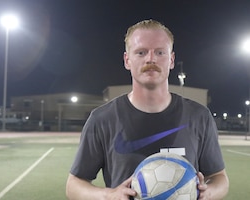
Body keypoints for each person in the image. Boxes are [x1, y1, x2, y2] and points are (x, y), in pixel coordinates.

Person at [66, 19, 229, 200]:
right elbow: (74, 185)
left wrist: (209, 192)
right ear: (127, 60)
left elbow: (219, 178)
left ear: (171, 60)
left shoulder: (199, 116)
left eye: (160, 52)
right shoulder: (102, 119)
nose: (150, 59)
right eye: (141, 52)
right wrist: (109, 195)